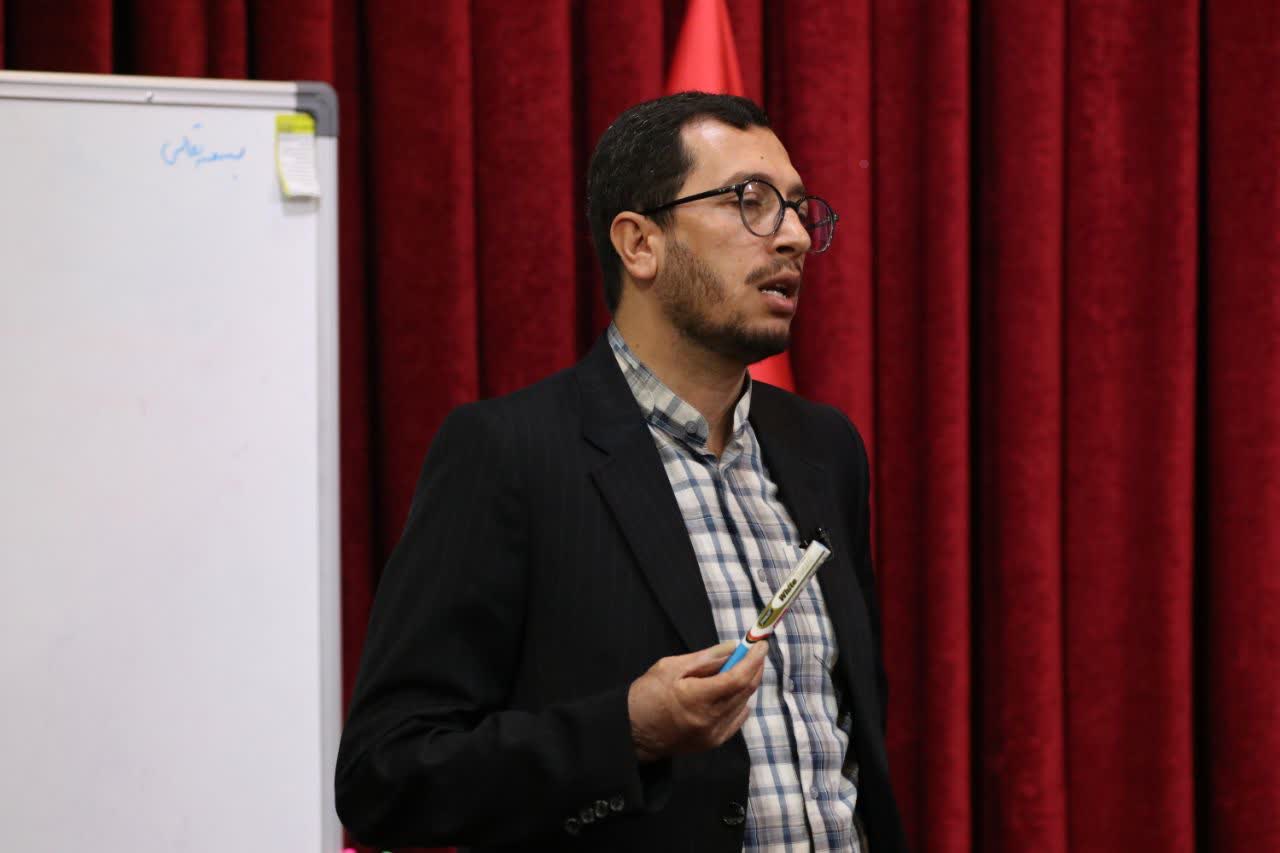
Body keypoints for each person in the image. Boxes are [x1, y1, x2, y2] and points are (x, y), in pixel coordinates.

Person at [336, 92, 908, 853]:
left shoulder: (824, 449)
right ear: (640, 244)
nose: (795, 236)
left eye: (800, 209)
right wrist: (626, 731)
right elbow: (384, 775)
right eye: (751, 202)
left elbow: (851, 740)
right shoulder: (509, 454)